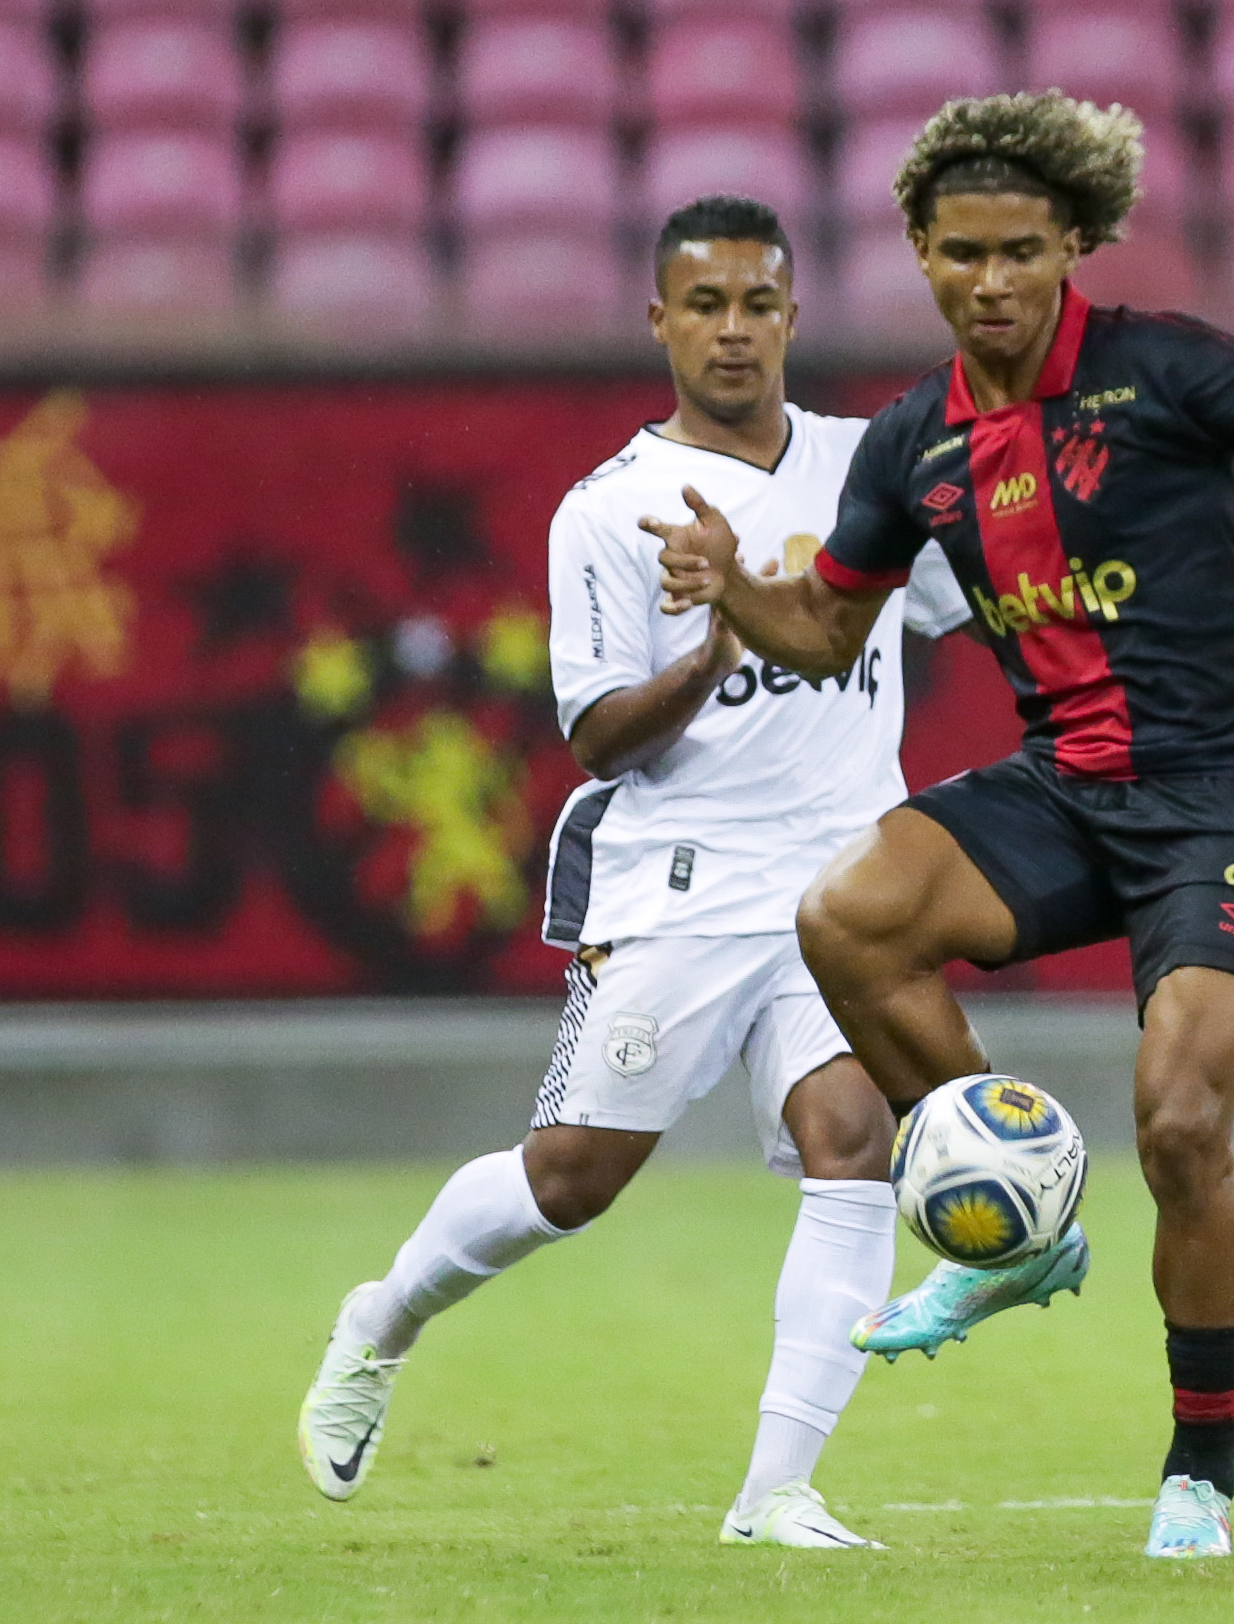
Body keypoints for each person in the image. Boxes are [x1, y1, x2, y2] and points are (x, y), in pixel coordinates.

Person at [646, 92, 1234, 1560]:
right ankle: (1029, 1214)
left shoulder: (1167, 369)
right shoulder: (913, 441)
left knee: (1186, 1127)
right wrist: (726, 579)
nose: (991, 282)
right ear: (920, 258)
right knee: (849, 918)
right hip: (1067, 782)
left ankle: (1200, 1470)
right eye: (960, 255)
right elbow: (823, 630)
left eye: (1020, 252)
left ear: (1073, 245)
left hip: (1222, 792)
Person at [295, 196, 970, 1551]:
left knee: (854, 1150)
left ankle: (776, 1490)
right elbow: (597, 733)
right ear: (659, 320)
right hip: (685, 879)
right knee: (572, 1178)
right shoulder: (606, 511)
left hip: (847, 881)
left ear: (792, 317)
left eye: (759, 304)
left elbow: (976, 597)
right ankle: (384, 1318)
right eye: (705, 304)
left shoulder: (869, 469)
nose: (734, 330)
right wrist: (716, 647)